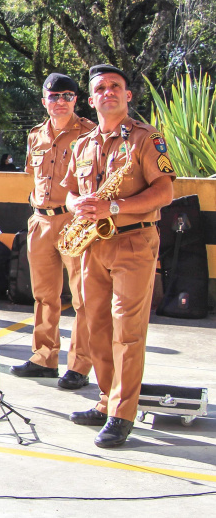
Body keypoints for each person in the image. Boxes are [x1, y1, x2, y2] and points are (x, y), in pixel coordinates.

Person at [64, 65, 175, 448]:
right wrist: (76, 203)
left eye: (116, 87)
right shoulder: (82, 143)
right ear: (91, 100)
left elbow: (164, 193)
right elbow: (67, 193)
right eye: (100, 89)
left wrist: (116, 206)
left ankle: (122, 414)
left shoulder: (146, 138)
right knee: (96, 327)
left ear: (127, 96)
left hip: (132, 242)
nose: (108, 92)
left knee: (127, 332)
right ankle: (105, 398)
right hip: (92, 245)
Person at [10, 73, 96, 390]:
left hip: (74, 222)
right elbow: (33, 175)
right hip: (40, 221)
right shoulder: (36, 136)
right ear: (43, 100)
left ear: (76, 100)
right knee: (44, 295)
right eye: (54, 96)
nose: (60, 102)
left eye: (67, 96)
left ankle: (79, 366)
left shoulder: (90, 132)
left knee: (82, 297)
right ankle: (44, 358)